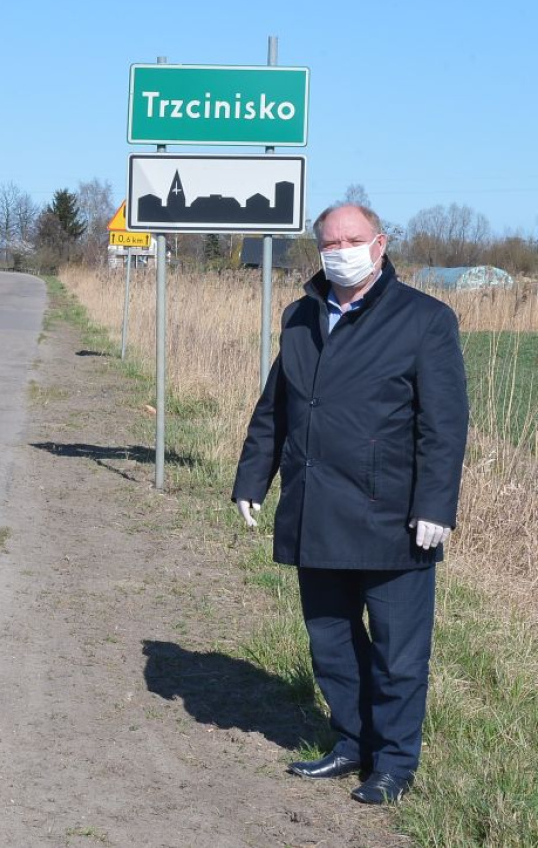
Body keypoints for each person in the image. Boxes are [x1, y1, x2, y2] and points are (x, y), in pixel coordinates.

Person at [232, 203, 468, 804]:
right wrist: (252, 479)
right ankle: (351, 742)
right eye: (330, 243)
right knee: (331, 641)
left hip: (394, 518)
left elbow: (443, 425)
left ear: (380, 244)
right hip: (315, 508)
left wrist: (436, 505)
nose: (341, 251)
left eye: (352, 239)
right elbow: (276, 408)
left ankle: (393, 764)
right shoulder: (301, 315)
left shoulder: (424, 319)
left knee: (397, 653)